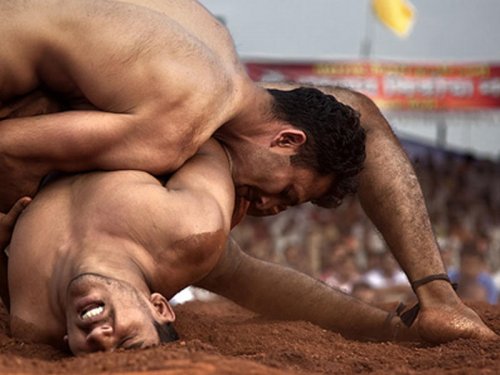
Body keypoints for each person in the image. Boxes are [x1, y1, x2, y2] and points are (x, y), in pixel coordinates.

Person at [0, 0, 496, 344]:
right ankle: (436, 301)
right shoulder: (176, 126)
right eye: (285, 193)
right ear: (285, 140)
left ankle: (436, 300)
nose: (266, 209)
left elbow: (357, 110)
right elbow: (8, 151)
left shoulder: (216, 57)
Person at [3, 140, 418, 355]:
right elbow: (207, 133)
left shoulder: (30, 314)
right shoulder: (188, 230)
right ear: (159, 307)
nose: (99, 339)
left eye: (89, 357)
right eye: (127, 342)